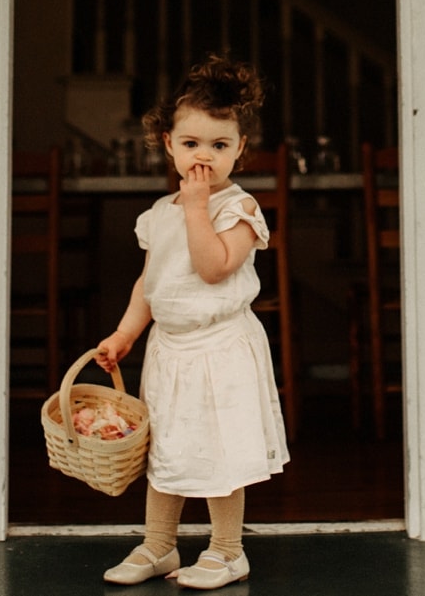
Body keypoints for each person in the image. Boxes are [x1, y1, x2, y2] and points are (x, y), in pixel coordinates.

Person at [94, 55, 288, 590]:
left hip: (220, 347)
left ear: (240, 149)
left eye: (220, 146)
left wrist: (198, 209)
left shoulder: (237, 209)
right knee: (169, 446)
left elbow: (212, 267)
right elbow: (151, 283)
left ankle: (228, 550)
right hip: (170, 349)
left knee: (219, 448)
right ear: (167, 142)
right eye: (192, 144)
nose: (205, 157)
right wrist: (125, 334)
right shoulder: (160, 212)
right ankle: (159, 543)